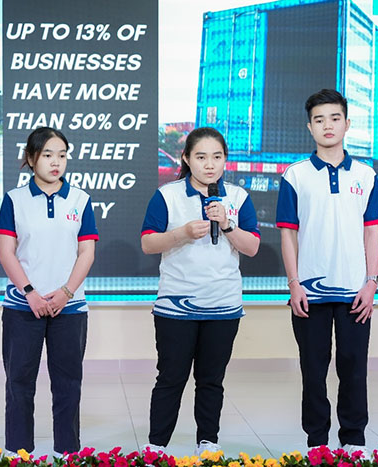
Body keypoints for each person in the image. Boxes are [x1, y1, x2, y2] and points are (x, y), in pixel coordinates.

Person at [140, 127, 260, 455]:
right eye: (201, 157)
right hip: (176, 306)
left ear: (225, 160)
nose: (209, 164)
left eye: (217, 157)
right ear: (186, 158)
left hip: (223, 305)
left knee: (211, 380)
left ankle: (208, 442)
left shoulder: (238, 197)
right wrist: (180, 234)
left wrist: (228, 224)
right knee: (171, 378)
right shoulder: (167, 195)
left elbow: (252, 247)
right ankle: (156, 447)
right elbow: (148, 242)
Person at [276, 89, 378, 454]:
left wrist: (371, 283)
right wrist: (294, 284)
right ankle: (317, 443)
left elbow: (372, 232)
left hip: (355, 292)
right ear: (310, 127)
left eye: (335, 118)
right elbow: (288, 234)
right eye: (319, 119)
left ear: (347, 124)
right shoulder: (295, 175)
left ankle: (353, 439)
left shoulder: (366, 175)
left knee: (354, 368)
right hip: (309, 292)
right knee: (313, 371)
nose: (327, 125)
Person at [0, 127, 98, 456]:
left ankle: (67, 452)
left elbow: (87, 253)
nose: (56, 162)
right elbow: (6, 252)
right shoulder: (15, 200)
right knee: (19, 383)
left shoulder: (80, 200)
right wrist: (30, 292)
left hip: (70, 308)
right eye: (48, 155)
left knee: (68, 384)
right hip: (22, 306)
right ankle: (18, 453)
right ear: (30, 158)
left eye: (62, 155)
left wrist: (66, 292)